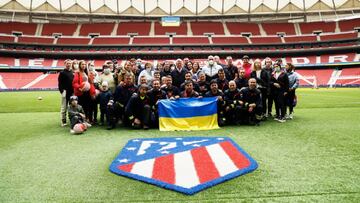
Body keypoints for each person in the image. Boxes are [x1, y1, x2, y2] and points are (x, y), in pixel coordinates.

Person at [58, 59, 73, 127]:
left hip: (72, 92)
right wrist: (62, 91)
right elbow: (60, 84)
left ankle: (72, 119)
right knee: (64, 107)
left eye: (70, 63)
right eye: (67, 63)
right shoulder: (62, 73)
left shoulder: (72, 72)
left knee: (72, 106)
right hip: (65, 92)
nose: (68, 64)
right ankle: (63, 121)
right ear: (65, 64)